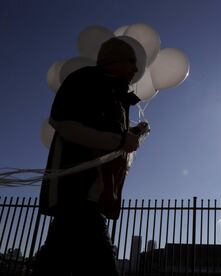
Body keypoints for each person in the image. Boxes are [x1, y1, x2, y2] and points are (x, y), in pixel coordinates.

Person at [32, 38, 148, 276]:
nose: (136, 69)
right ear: (111, 60)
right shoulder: (84, 80)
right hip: (77, 193)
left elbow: (108, 138)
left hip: (87, 197)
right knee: (102, 262)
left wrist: (131, 135)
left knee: (55, 258)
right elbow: (64, 123)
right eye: (131, 62)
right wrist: (120, 140)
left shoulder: (117, 95)